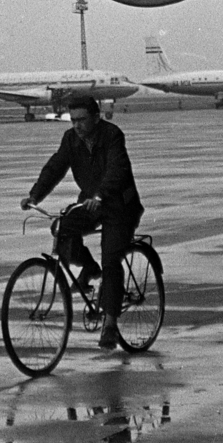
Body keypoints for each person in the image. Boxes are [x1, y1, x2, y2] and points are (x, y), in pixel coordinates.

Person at [19, 96, 143, 351]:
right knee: (61, 228)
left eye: (81, 120)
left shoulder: (112, 135)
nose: (76, 125)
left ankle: (110, 324)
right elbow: (55, 167)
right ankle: (88, 268)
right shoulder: (70, 139)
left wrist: (100, 195)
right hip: (90, 202)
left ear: (96, 117)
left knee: (111, 259)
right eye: (73, 120)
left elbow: (116, 170)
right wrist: (34, 195)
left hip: (119, 204)